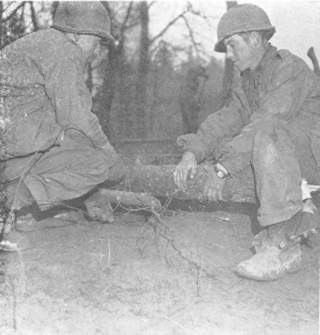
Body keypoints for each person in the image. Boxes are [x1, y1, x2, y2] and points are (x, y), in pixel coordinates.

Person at [174, 4, 320, 281]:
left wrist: (222, 169)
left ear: (254, 38)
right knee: (233, 139)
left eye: (232, 45)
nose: (229, 55)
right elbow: (225, 119)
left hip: (312, 160)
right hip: (285, 158)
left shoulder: (289, 69)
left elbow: (266, 122)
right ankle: (299, 216)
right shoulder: (248, 80)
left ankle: (282, 243)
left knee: (265, 131)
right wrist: (192, 152)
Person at [0, 2, 125, 228]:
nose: (97, 51)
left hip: (9, 151)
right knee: (99, 163)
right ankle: (14, 197)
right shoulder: (65, 51)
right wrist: (110, 155)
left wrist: (90, 194)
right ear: (77, 36)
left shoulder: (42, 43)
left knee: (76, 147)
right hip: (10, 154)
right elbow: (76, 118)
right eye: (96, 42)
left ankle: (21, 203)